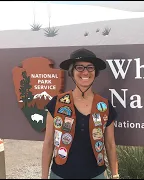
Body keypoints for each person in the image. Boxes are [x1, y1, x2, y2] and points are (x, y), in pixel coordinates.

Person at [41, 48, 119, 179]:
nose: (85, 72)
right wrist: (43, 177)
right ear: (71, 72)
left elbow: (110, 144)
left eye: (90, 68)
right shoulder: (57, 103)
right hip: (60, 175)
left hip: (96, 175)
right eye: (80, 67)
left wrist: (115, 175)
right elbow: (48, 143)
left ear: (95, 72)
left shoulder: (104, 106)